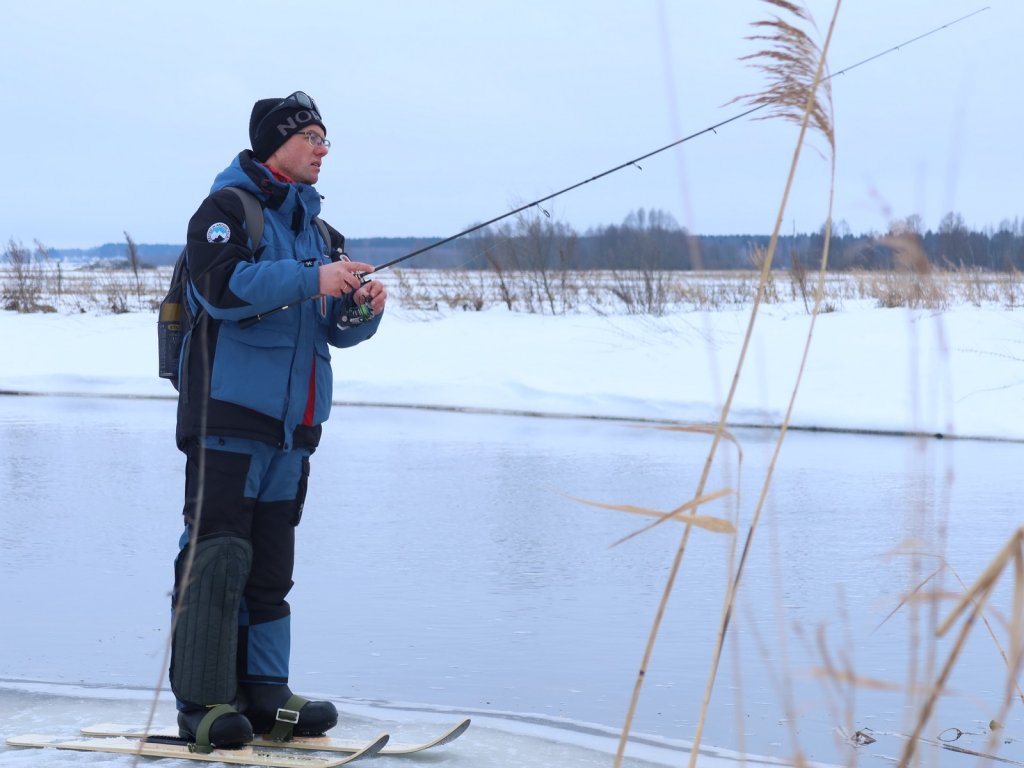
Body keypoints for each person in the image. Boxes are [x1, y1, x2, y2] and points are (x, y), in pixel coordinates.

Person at [170, 91, 387, 749]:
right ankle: (202, 704)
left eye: (326, 139)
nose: (324, 149)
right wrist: (311, 278)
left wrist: (360, 310)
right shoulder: (225, 212)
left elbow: (332, 329)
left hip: (294, 430)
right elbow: (225, 289)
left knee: (270, 567)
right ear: (276, 143)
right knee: (217, 557)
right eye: (312, 137)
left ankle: (264, 696)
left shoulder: (320, 233)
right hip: (227, 416)